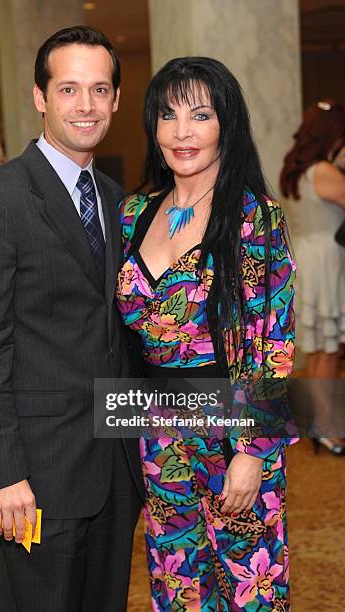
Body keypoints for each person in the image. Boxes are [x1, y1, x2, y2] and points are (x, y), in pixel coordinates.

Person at [0, 26, 142, 611]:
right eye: (69, 89)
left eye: (99, 89)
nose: (86, 105)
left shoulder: (115, 197)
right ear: (40, 97)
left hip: (113, 468)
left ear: (115, 100)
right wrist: (3, 475)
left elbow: (118, 335)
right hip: (34, 479)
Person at [116, 57, 296, 610]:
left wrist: (252, 452)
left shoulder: (254, 218)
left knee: (249, 589)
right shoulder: (135, 213)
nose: (182, 132)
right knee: (178, 587)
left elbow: (276, 341)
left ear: (227, 125)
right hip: (157, 435)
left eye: (200, 115)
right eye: (168, 116)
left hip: (232, 435)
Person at [280, 99, 345, 455]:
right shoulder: (324, 171)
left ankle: (322, 423)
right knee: (329, 350)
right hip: (328, 260)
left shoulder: (298, 170)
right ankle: (325, 425)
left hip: (307, 257)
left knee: (322, 349)